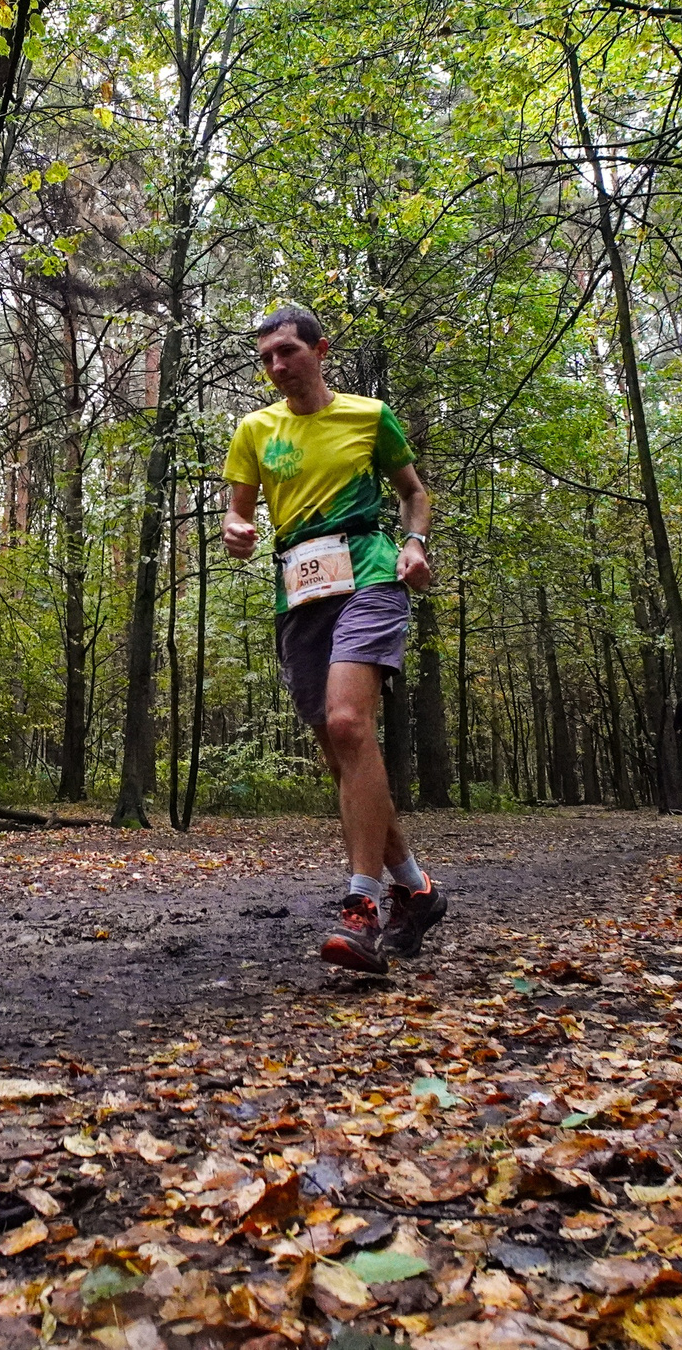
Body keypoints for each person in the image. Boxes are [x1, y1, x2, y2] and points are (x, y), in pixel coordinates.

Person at [221, 307, 439, 974]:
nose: (277, 366)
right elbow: (239, 509)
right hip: (300, 589)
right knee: (339, 749)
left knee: (349, 723)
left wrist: (415, 542)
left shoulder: (370, 416)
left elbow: (413, 492)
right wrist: (235, 528)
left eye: (287, 351)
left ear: (320, 349)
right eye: (266, 358)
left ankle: (362, 907)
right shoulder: (255, 429)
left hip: (369, 571)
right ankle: (417, 888)